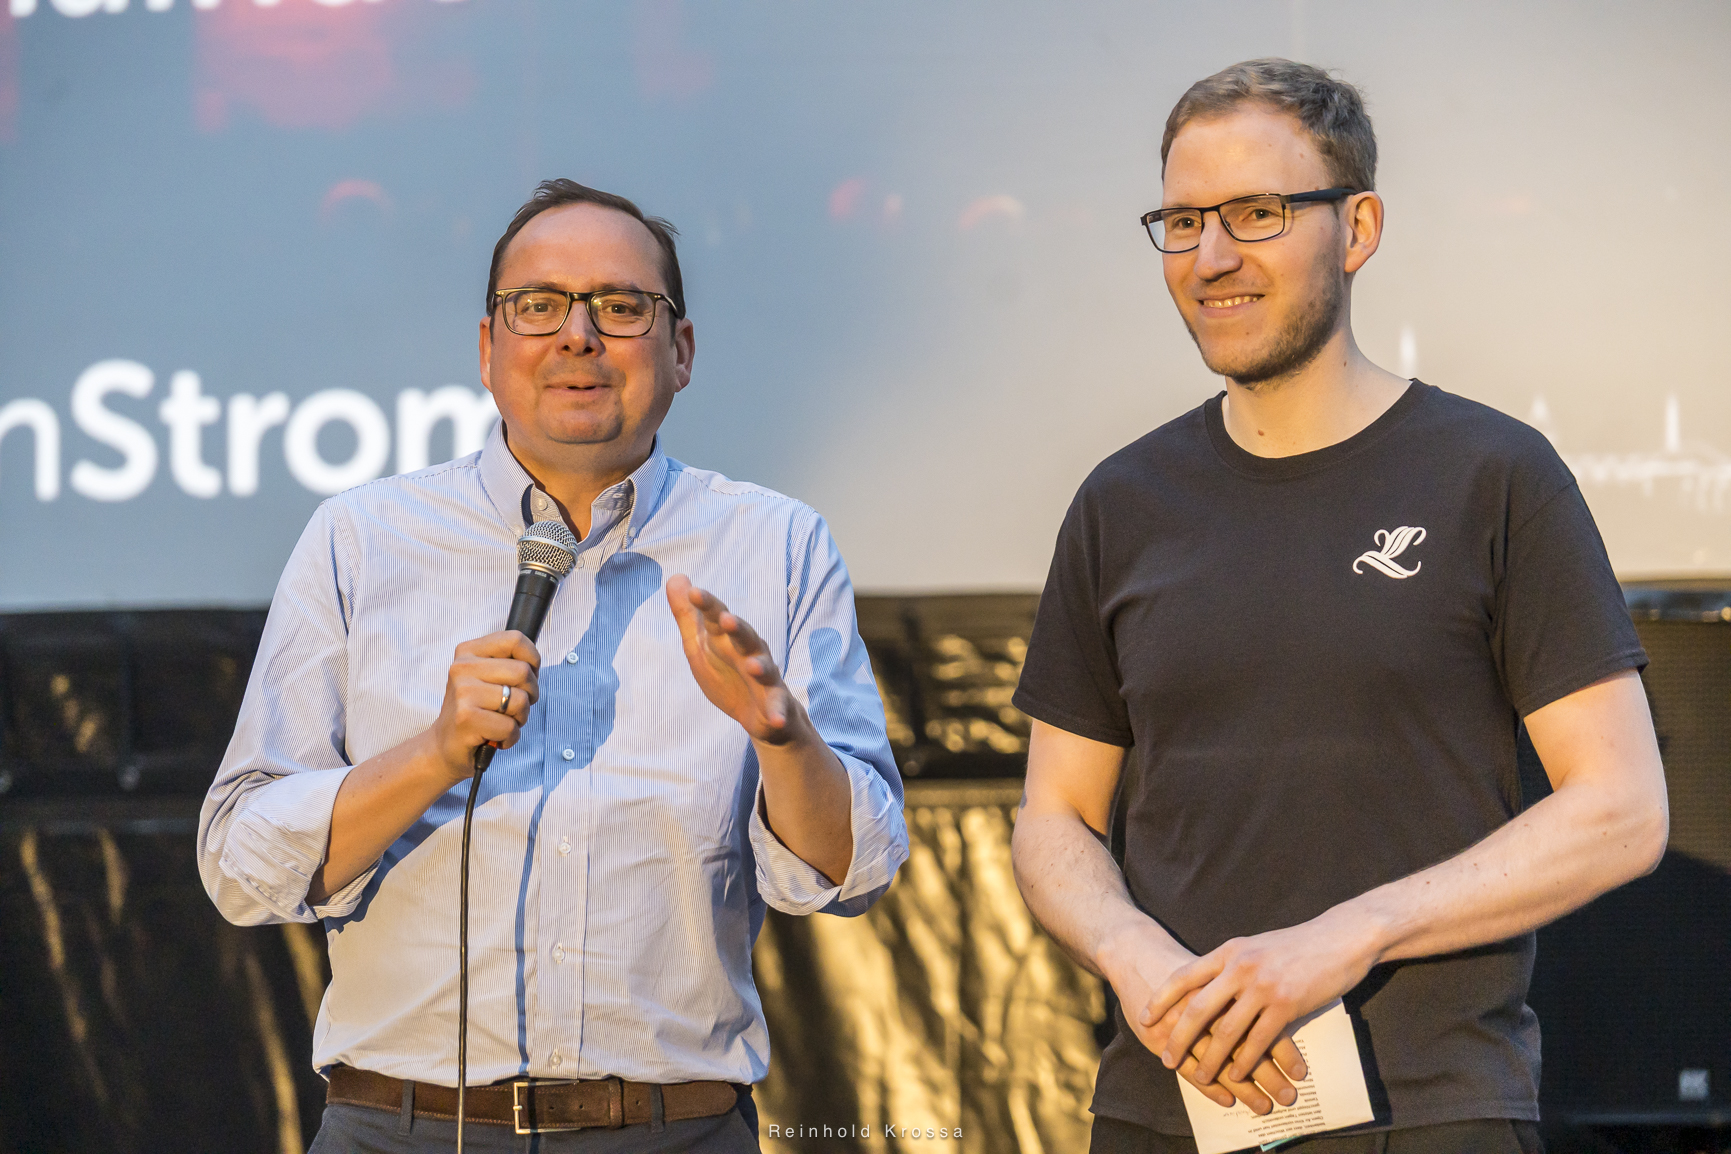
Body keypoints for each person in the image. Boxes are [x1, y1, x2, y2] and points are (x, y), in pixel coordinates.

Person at [1010, 59, 1668, 1154]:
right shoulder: (1120, 502)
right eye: (1181, 221)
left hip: (1429, 1108)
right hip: (1166, 1106)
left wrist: (1348, 935)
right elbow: (1053, 819)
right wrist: (1140, 961)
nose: (1211, 256)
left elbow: (1622, 808)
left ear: (1356, 227)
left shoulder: (1493, 474)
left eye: (1256, 214)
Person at [198, 179, 909, 1153]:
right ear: (489, 350)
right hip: (402, 1125)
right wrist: (435, 752)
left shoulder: (775, 544)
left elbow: (854, 869)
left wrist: (782, 736)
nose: (578, 334)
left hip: (676, 1130)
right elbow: (240, 863)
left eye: (621, 306)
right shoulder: (362, 539)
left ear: (682, 350)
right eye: (538, 306)